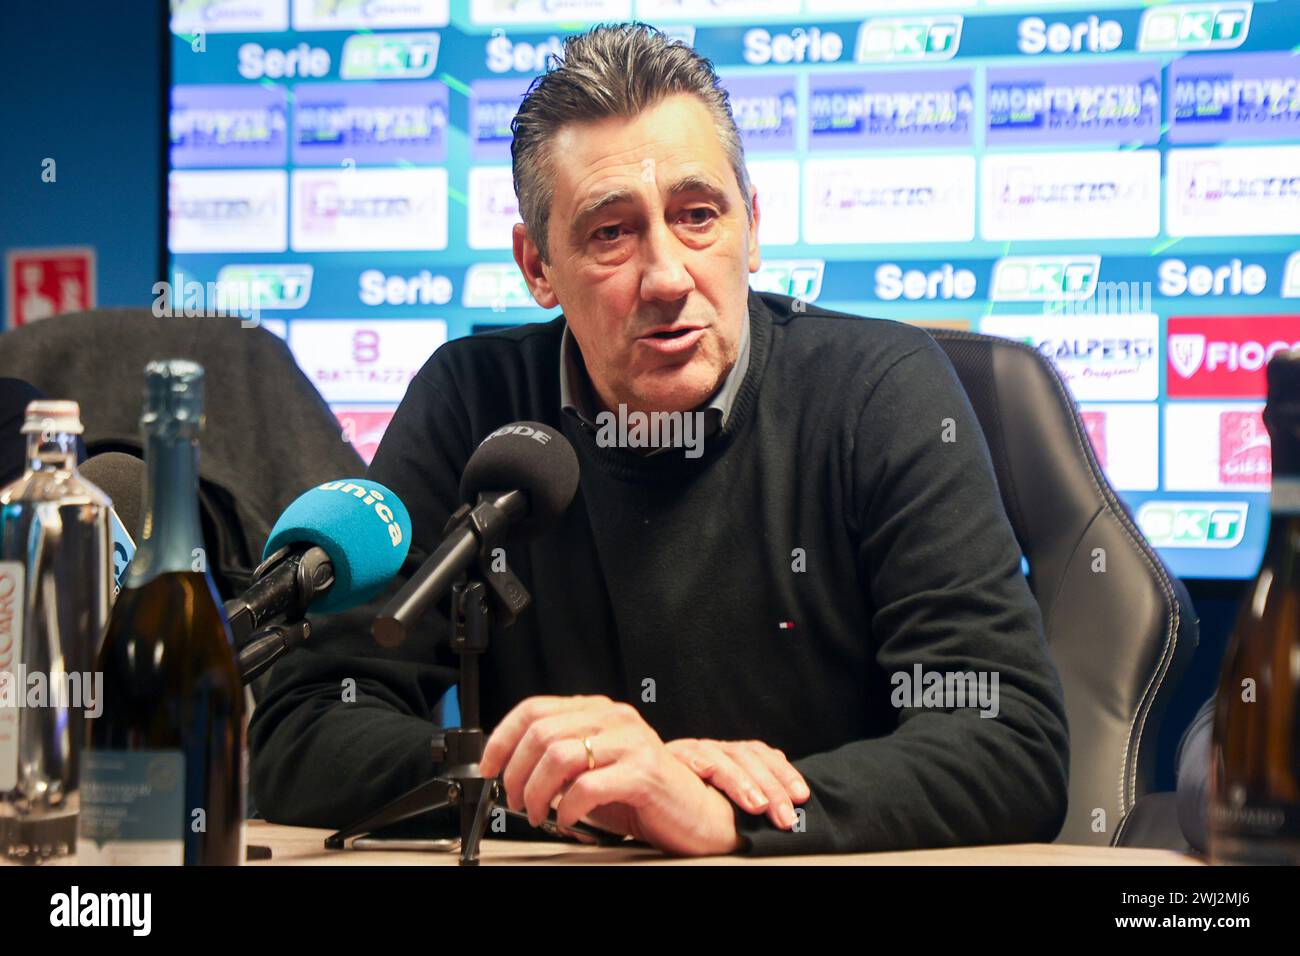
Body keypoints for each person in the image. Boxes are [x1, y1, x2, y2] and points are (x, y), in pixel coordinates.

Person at [250, 22, 1069, 856]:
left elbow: (1008, 738)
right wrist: (576, 784)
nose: (669, 276)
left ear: (751, 228)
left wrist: (725, 814)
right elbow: (307, 728)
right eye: (612, 233)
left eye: (698, 216)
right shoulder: (474, 403)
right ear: (537, 267)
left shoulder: (883, 392)